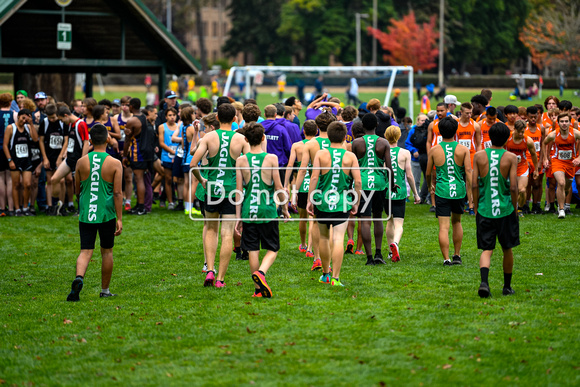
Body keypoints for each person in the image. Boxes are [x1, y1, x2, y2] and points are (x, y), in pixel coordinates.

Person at [191, 103, 250, 287]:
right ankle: (220, 279)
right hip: (232, 190)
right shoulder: (241, 139)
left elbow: (193, 164)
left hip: (212, 190)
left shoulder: (209, 137)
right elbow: (249, 167)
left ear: (217, 118)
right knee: (227, 234)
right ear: (234, 119)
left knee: (210, 229)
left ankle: (210, 269)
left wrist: (201, 180)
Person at [66, 124, 123, 302]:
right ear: (108, 139)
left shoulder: (81, 162)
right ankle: (105, 290)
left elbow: (77, 189)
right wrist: (119, 218)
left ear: (90, 141)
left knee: (85, 250)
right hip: (106, 213)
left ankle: (79, 278)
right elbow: (117, 193)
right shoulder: (115, 163)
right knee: (107, 252)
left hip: (86, 213)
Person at [235, 122, 289, 298]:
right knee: (273, 248)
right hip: (267, 210)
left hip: (248, 210)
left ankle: (257, 290)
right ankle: (262, 273)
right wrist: (285, 208)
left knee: (252, 249)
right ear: (263, 138)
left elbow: (238, 192)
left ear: (246, 139)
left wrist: (238, 218)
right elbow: (278, 187)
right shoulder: (271, 158)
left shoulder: (241, 160)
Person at [307, 121, 362, 287]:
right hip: (342, 202)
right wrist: (356, 201)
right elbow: (358, 182)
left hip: (323, 202)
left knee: (323, 237)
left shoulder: (321, 154)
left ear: (328, 136)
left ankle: (325, 273)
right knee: (338, 238)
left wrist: (311, 199)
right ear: (345, 137)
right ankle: (336, 278)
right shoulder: (350, 156)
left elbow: (314, 178)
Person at [472, 122, 519, 298]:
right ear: (507, 138)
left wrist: (475, 206)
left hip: (485, 209)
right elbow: (514, 187)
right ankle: (507, 287)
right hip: (505, 209)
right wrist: (515, 208)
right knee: (507, 248)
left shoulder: (479, 156)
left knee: (487, 249)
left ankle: (484, 282)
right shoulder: (511, 157)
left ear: (488, 137)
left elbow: (475, 183)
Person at [426, 117, 472, 265]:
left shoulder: (434, 150)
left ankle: (446, 259)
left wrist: (429, 186)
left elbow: (428, 173)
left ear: (439, 131)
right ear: (456, 130)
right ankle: (457, 255)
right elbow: (469, 172)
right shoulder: (463, 149)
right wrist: (471, 193)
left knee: (443, 227)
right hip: (458, 191)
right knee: (457, 222)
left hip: (442, 191)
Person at [295, 111, 336, 271]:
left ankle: (318, 258)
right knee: (332, 226)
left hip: (317, 187)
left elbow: (302, 170)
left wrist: (295, 191)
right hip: (335, 186)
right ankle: (330, 259)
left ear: (317, 126)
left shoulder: (310, 144)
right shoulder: (339, 142)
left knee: (318, 223)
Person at [351, 113, 391, 265]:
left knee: (365, 221)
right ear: (377, 125)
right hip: (379, 183)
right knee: (378, 218)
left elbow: (352, 167)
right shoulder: (383, 142)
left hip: (363, 184)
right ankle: (379, 253)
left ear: (362, 126)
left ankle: (369, 257)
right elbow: (389, 167)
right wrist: (392, 183)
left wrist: (350, 185)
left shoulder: (356, 143)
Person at [385, 125, 420, 262]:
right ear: (399, 137)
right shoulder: (405, 153)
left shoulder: (382, 151)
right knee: (399, 224)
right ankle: (396, 244)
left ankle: (390, 250)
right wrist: (416, 194)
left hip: (386, 192)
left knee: (389, 221)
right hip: (399, 192)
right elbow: (410, 176)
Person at [285, 120, 317, 258]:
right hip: (315, 185)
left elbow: (290, 165)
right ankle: (310, 248)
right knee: (313, 218)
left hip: (301, 184)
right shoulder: (318, 145)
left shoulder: (297, 146)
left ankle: (304, 245)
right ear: (316, 131)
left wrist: (287, 184)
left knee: (303, 218)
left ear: (303, 131)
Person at [50, 105, 90, 215]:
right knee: (54, 179)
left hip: (78, 159)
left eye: (62, 119)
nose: (62, 122)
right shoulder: (71, 124)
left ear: (66, 115)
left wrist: (83, 160)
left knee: (79, 188)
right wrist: (62, 155)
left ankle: (81, 209)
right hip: (70, 158)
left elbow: (86, 142)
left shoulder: (80, 124)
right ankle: (57, 206)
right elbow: (70, 141)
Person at [542, 112, 580, 218]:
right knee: (561, 183)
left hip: (570, 162)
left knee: (566, 187)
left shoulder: (575, 133)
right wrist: (545, 158)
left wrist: (578, 157)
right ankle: (561, 209)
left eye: (566, 121)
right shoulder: (553, 134)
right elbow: (544, 143)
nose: (564, 124)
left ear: (569, 123)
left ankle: (561, 201)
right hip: (557, 161)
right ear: (558, 123)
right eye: (562, 121)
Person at [2, 109, 37, 216]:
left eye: (26, 119)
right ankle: (17, 209)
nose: (24, 121)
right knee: (16, 185)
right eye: (23, 118)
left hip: (26, 160)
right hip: (15, 160)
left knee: (27, 184)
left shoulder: (28, 127)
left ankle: (25, 207)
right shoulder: (10, 128)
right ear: (18, 117)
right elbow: (5, 145)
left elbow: (35, 139)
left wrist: (31, 124)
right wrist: (10, 160)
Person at [123, 98, 154, 215]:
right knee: (140, 178)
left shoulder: (132, 121)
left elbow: (127, 140)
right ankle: (139, 205)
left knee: (139, 179)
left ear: (131, 106)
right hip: (146, 152)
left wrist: (124, 156)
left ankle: (141, 207)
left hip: (138, 153)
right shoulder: (144, 118)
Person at [38, 103, 68, 215]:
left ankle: (61, 204)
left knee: (61, 180)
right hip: (49, 155)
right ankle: (50, 206)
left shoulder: (62, 122)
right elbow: (41, 140)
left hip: (59, 155)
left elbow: (66, 140)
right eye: (49, 117)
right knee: (49, 180)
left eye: (53, 117)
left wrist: (60, 157)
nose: (52, 119)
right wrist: (45, 158)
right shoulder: (44, 123)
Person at [505, 120, 538, 216]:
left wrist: (535, 169)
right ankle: (509, 208)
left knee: (522, 190)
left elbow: (533, 155)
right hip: (508, 166)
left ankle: (519, 209)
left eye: (522, 132)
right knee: (508, 189)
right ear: (514, 129)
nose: (520, 134)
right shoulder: (507, 138)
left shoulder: (528, 140)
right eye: (518, 131)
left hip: (521, 166)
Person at [523, 106, 545, 214]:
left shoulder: (541, 128)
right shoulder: (524, 128)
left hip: (537, 159)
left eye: (535, 117)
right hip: (526, 159)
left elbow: (543, 146)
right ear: (527, 116)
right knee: (527, 184)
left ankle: (536, 206)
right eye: (531, 117)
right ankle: (525, 205)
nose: (533, 119)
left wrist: (541, 161)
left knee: (537, 183)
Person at [158, 108, 180, 209]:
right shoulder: (162, 127)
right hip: (167, 156)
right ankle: (170, 202)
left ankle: (180, 200)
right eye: (170, 115)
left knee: (178, 179)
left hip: (178, 156)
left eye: (174, 115)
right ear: (166, 116)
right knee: (168, 179)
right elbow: (161, 142)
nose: (172, 117)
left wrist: (176, 154)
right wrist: (172, 152)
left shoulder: (178, 126)